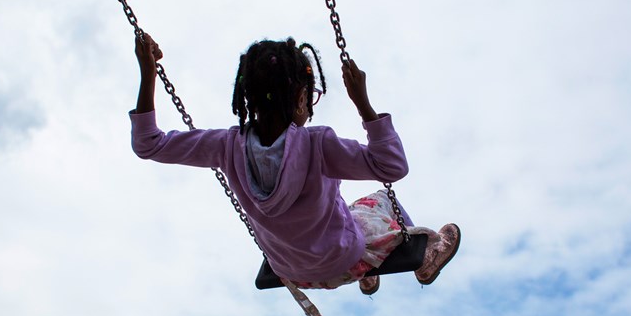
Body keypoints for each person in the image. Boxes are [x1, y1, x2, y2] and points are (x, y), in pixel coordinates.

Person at [129, 34, 460, 295]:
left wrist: (148, 75)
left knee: (352, 211)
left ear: (248, 97)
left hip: (290, 270)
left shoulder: (224, 146)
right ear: (301, 97)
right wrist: (364, 104)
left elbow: (148, 144)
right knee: (380, 201)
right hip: (341, 261)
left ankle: (367, 273)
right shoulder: (319, 145)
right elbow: (393, 166)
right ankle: (424, 254)